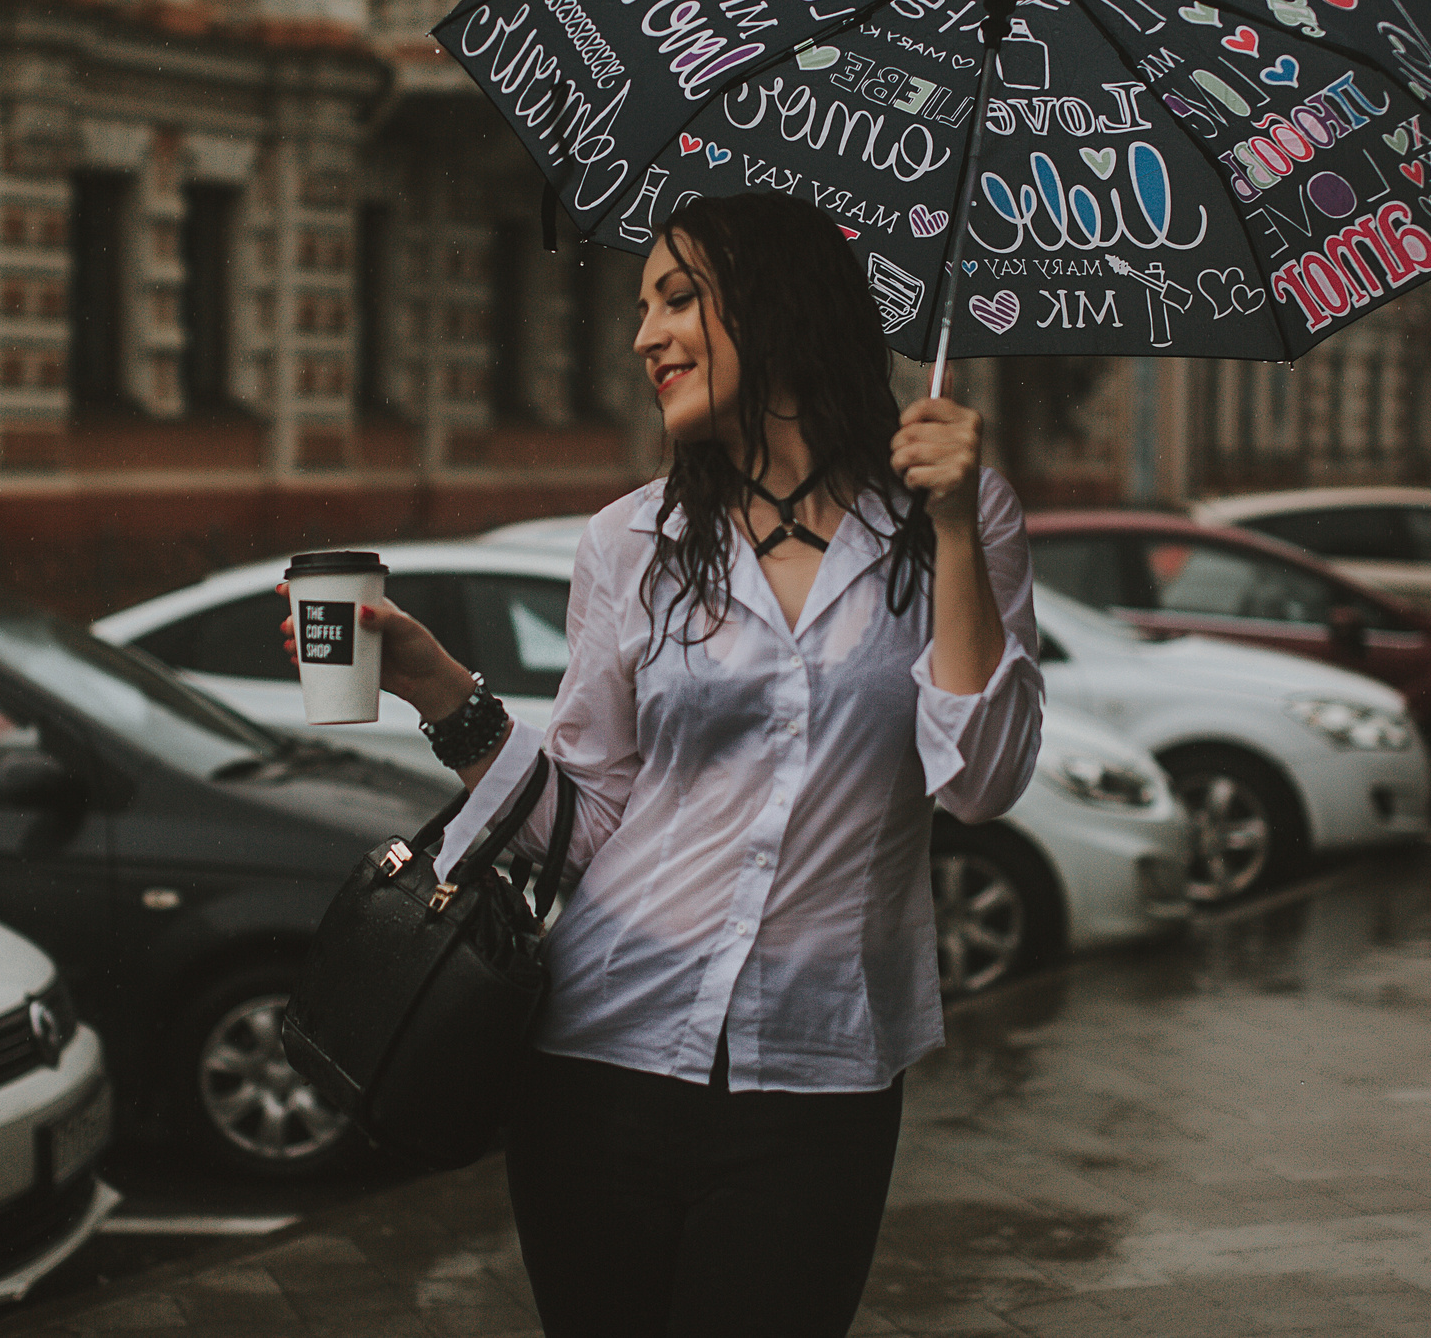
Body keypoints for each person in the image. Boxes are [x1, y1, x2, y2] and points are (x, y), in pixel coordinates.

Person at [347, 192, 1044, 1336]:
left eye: (677, 300)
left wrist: (958, 525)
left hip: (818, 1076)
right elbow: (588, 822)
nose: (644, 338)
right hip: (599, 1054)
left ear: (776, 309)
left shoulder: (954, 524)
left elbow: (981, 781)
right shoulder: (631, 542)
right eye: (641, 308)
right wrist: (438, 691)